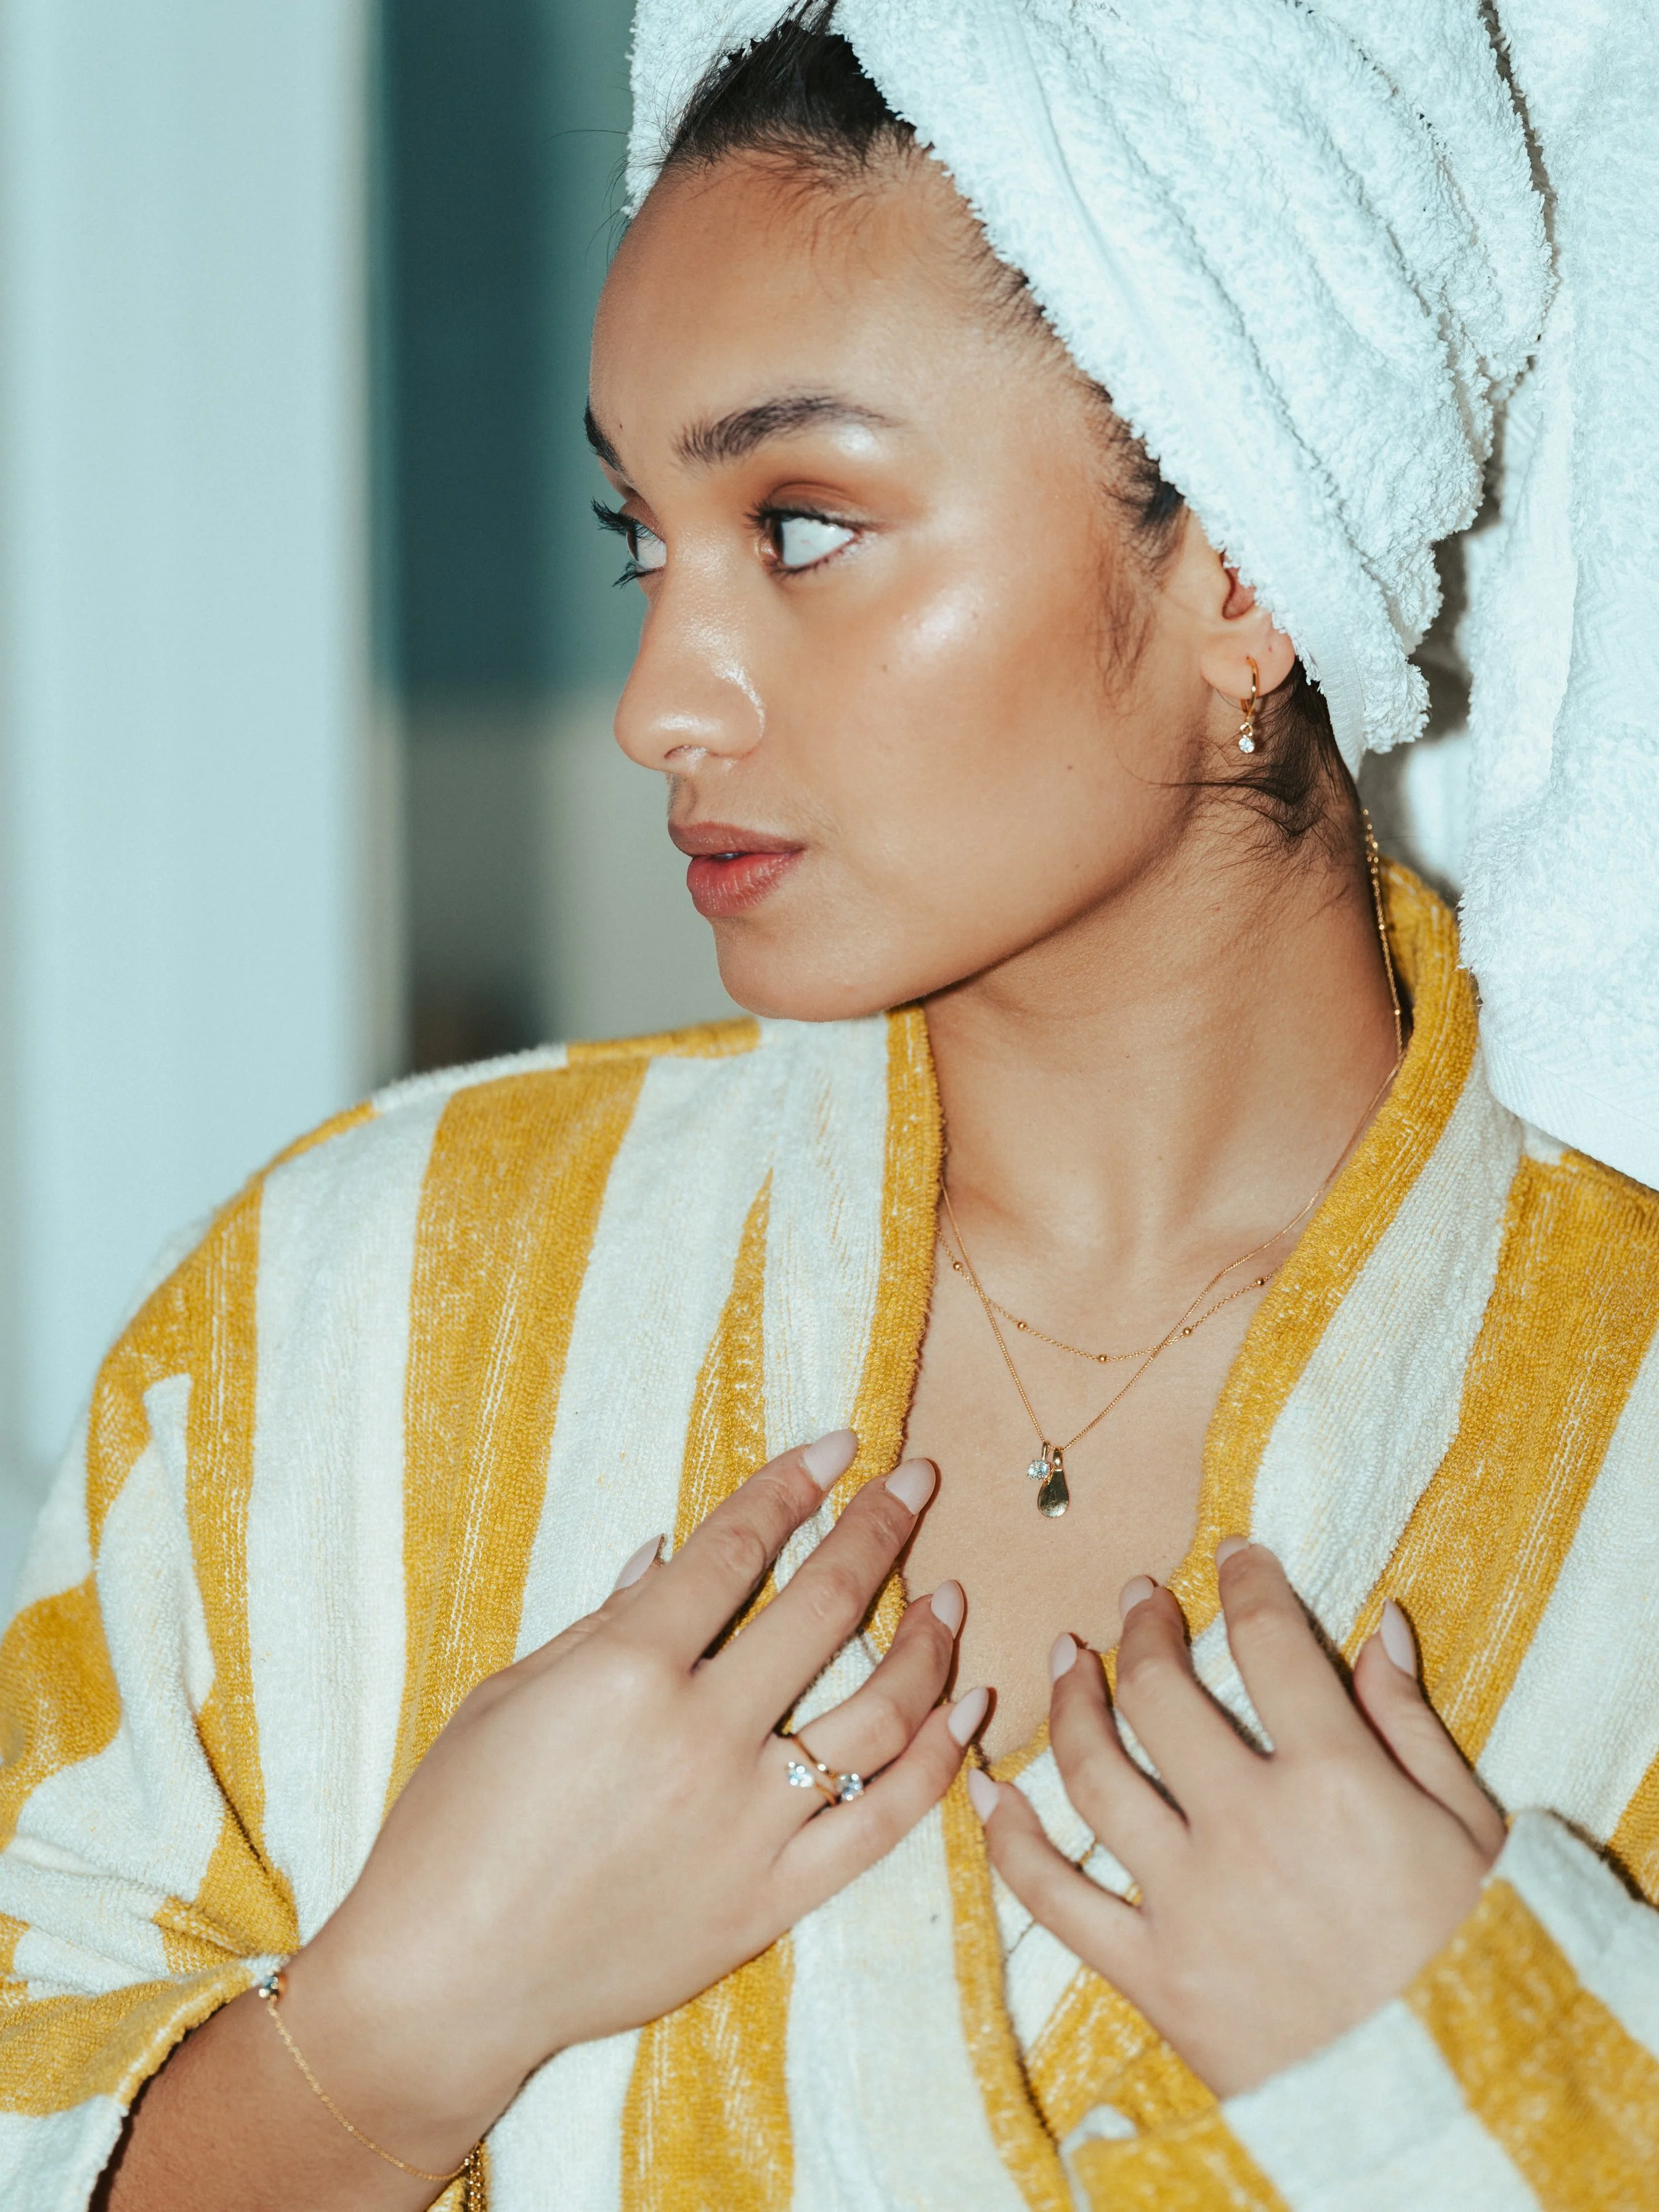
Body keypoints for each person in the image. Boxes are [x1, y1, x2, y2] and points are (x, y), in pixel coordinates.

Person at [5, 5, 1658, 2207]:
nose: (655, 700)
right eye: (643, 539)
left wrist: (1489, 2064)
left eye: (797, 524)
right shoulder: (337, 1323)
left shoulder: (1619, 1431)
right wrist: (401, 2021)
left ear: (1237, 563)